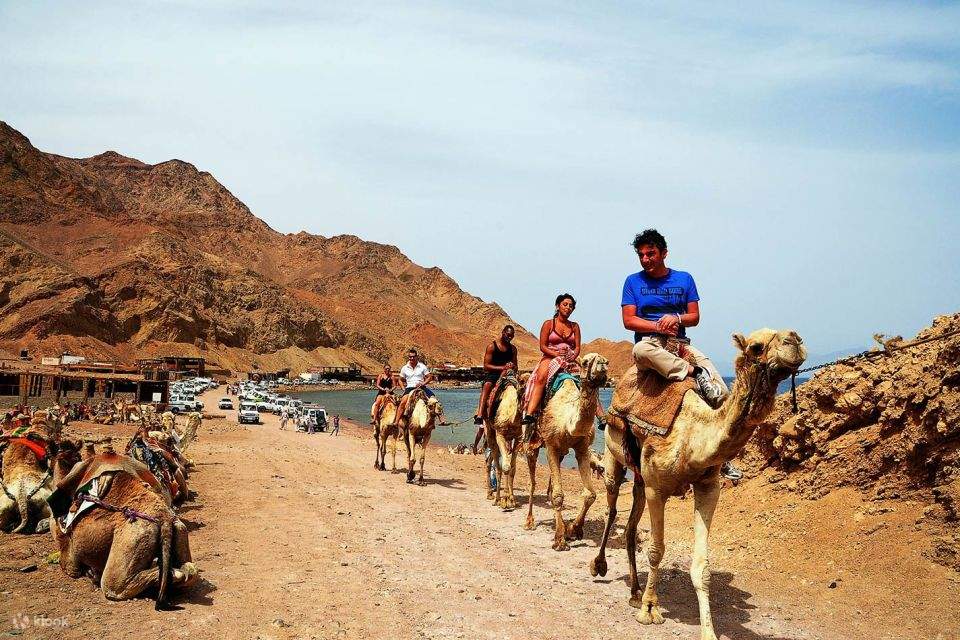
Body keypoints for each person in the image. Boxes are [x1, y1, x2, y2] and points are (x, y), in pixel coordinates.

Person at [621, 228, 739, 479]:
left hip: (680, 343)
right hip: (651, 344)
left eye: (650, 254)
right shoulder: (633, 281)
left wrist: (675, 318)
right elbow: (628, 320)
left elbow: (694, 317)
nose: (645, 259)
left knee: (722, 393)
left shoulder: (684, 279)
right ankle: (694, 372)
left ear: (664, 253)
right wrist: (657, 326)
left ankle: (722, 457)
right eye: (641, 255)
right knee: (639, 350)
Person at [522, 293, 582, 428]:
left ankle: (600, 416)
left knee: (586, 381)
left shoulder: (575, 326)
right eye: (565, 304)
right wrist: (555, 354)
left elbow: (577, 347)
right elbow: (542, 346)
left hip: (569, 358)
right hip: (550, 357)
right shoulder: (548, 324)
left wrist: (573, 356)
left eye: (571, 306)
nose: (568, 308)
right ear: (558, 306)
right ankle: (530, 413)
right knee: (541, 378)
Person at [472, 325, 519, 452]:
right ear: (503, 333)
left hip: (508, 375)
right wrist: (503, 367)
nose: (510, 337)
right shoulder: (492, 346)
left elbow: (516, 366)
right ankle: (480, 415)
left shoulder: (513, 349)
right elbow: (486, 366)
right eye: (508, 335)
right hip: (493, 374)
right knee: (487, 385)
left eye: (512, 336)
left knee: (520, 391)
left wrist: (512, 366)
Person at [395, 349, 434, 425]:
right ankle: (396, 422)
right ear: (408, 357)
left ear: (417, 357)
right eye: (410, 357)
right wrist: (403, 388)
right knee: (403, 402)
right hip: (409, 388)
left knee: (433, 400)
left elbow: (429, 377)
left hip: (421, 388)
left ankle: (440, 419)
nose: (412, 358)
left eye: (413, 356)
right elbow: (400, 379)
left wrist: (423, 383)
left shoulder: (422, 366)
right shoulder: (405, 368)